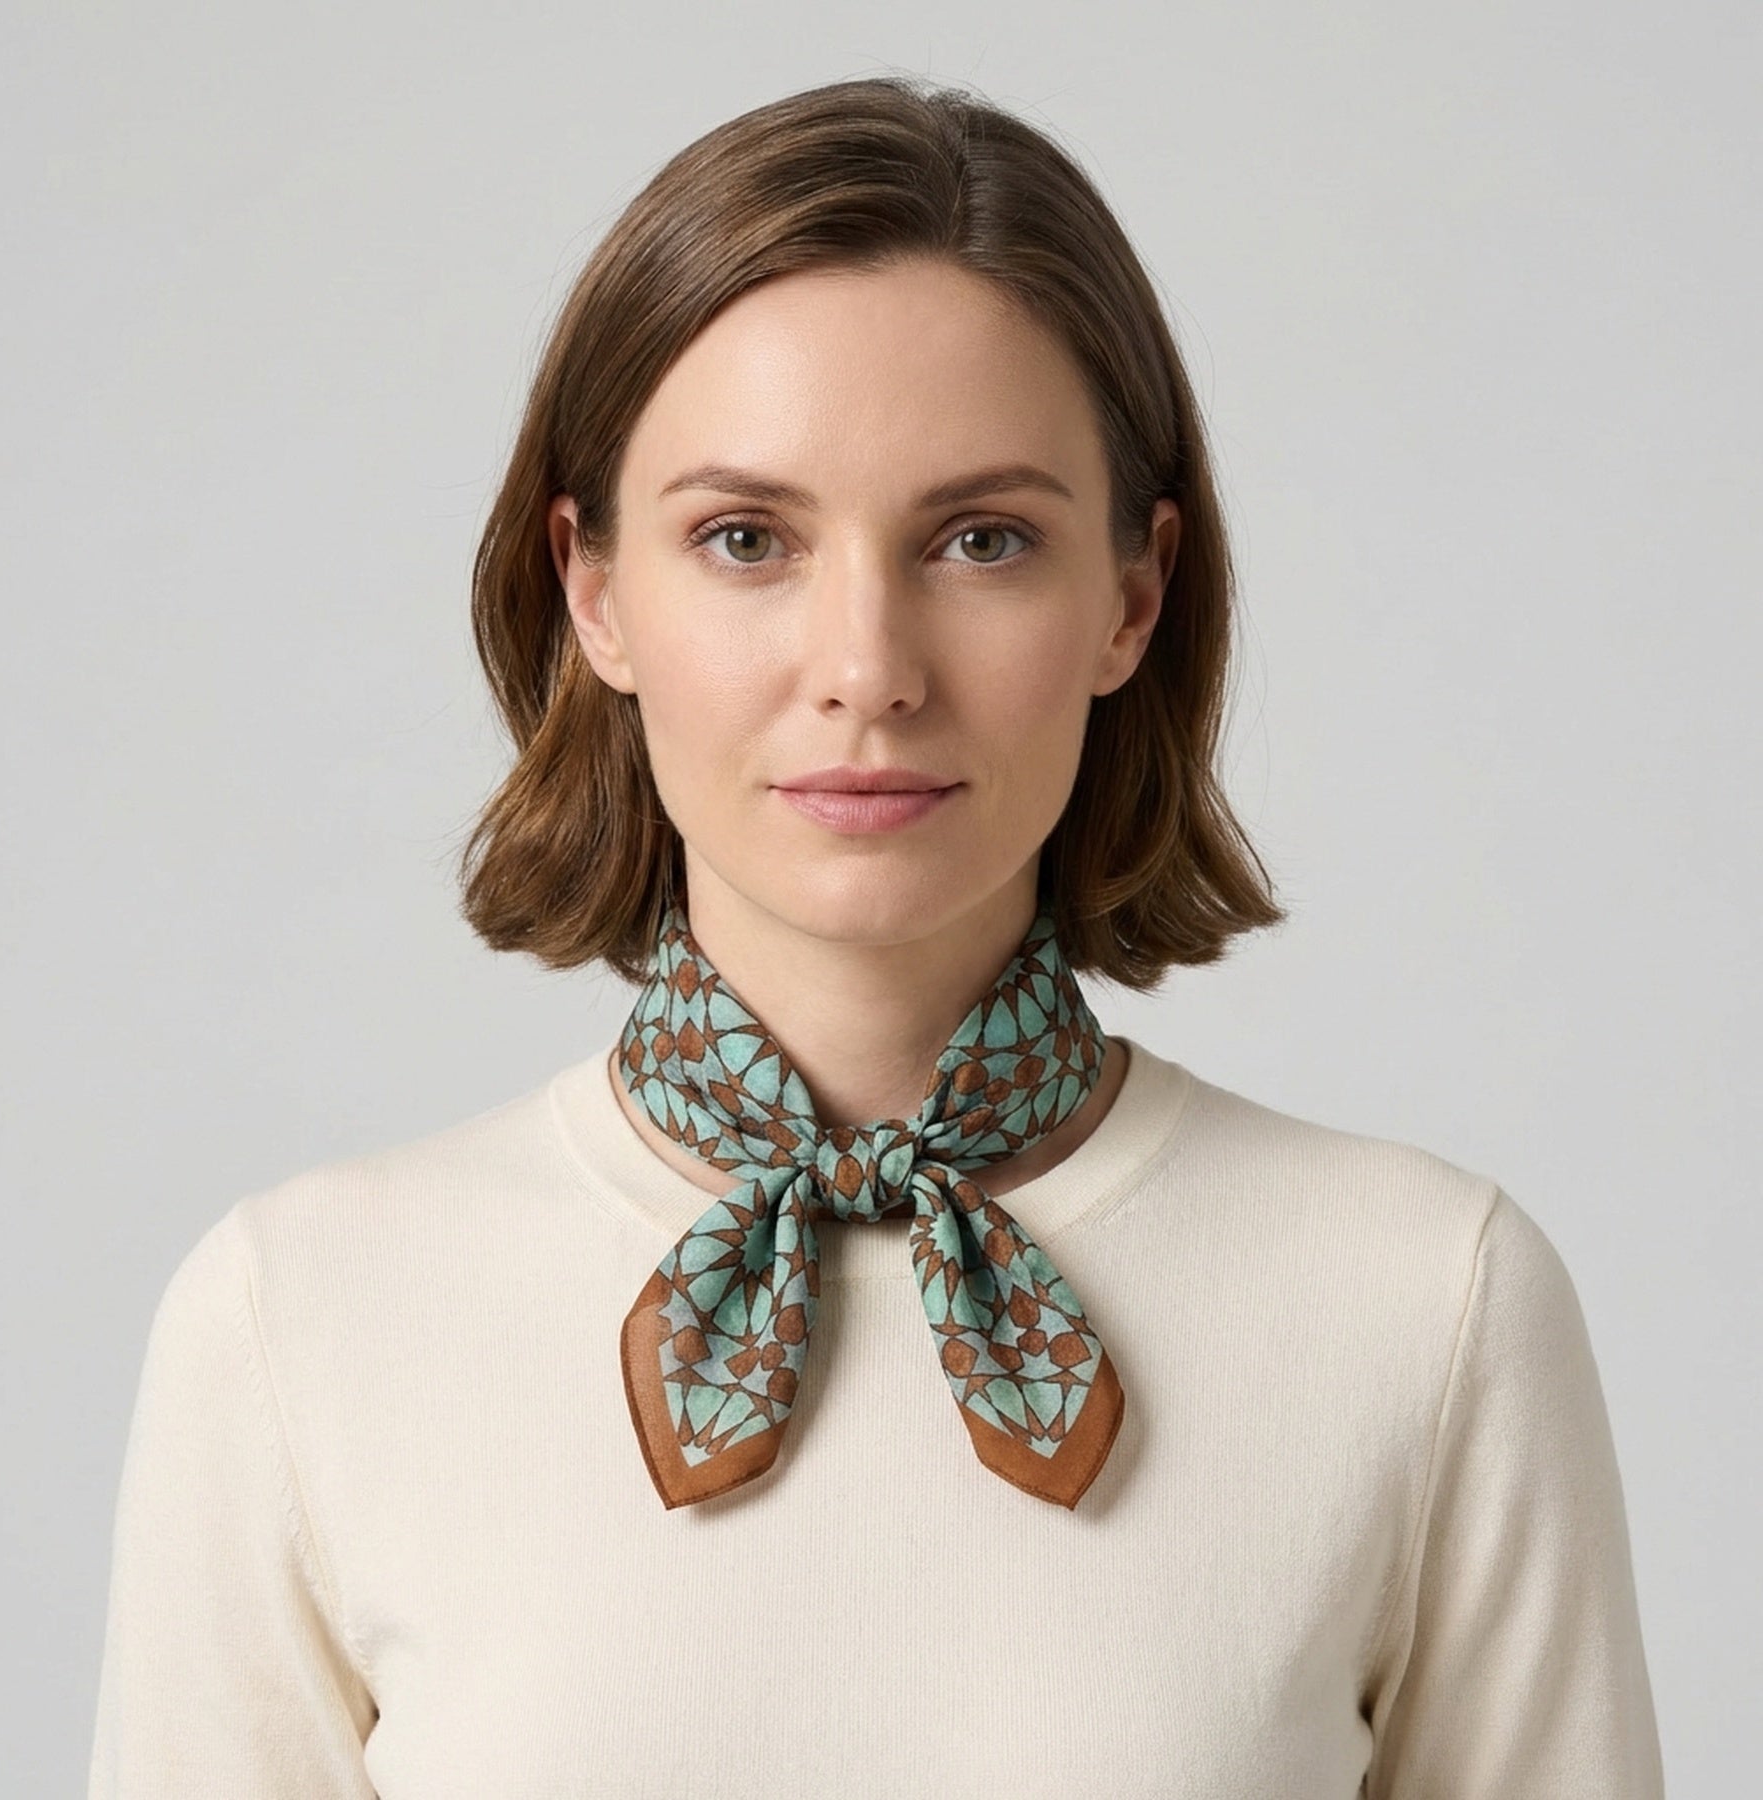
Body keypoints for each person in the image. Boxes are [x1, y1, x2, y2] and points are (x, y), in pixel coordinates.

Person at [87, 73, 1666, 1797]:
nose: (869, 665)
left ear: (1131, 598)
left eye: (983, 541)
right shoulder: (299, 1321)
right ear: (596, 591)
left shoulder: (1424, 1306)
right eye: (745, 539)